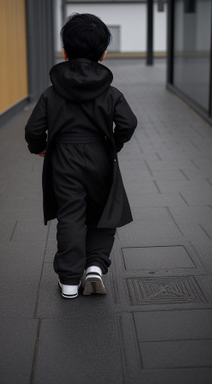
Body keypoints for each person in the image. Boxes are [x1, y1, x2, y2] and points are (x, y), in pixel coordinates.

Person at [25, 13, 137, 299]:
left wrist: (40, 146)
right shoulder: (111, 93)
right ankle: (96, 267)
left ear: (64, 52)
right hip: (100, 156)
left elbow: (34, 128)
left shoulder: (51, 93)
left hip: (63, 157)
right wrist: (116, 144)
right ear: (103, 54)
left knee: (71, 215)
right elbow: (128, 123)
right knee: (103, 212)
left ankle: (69, 281)